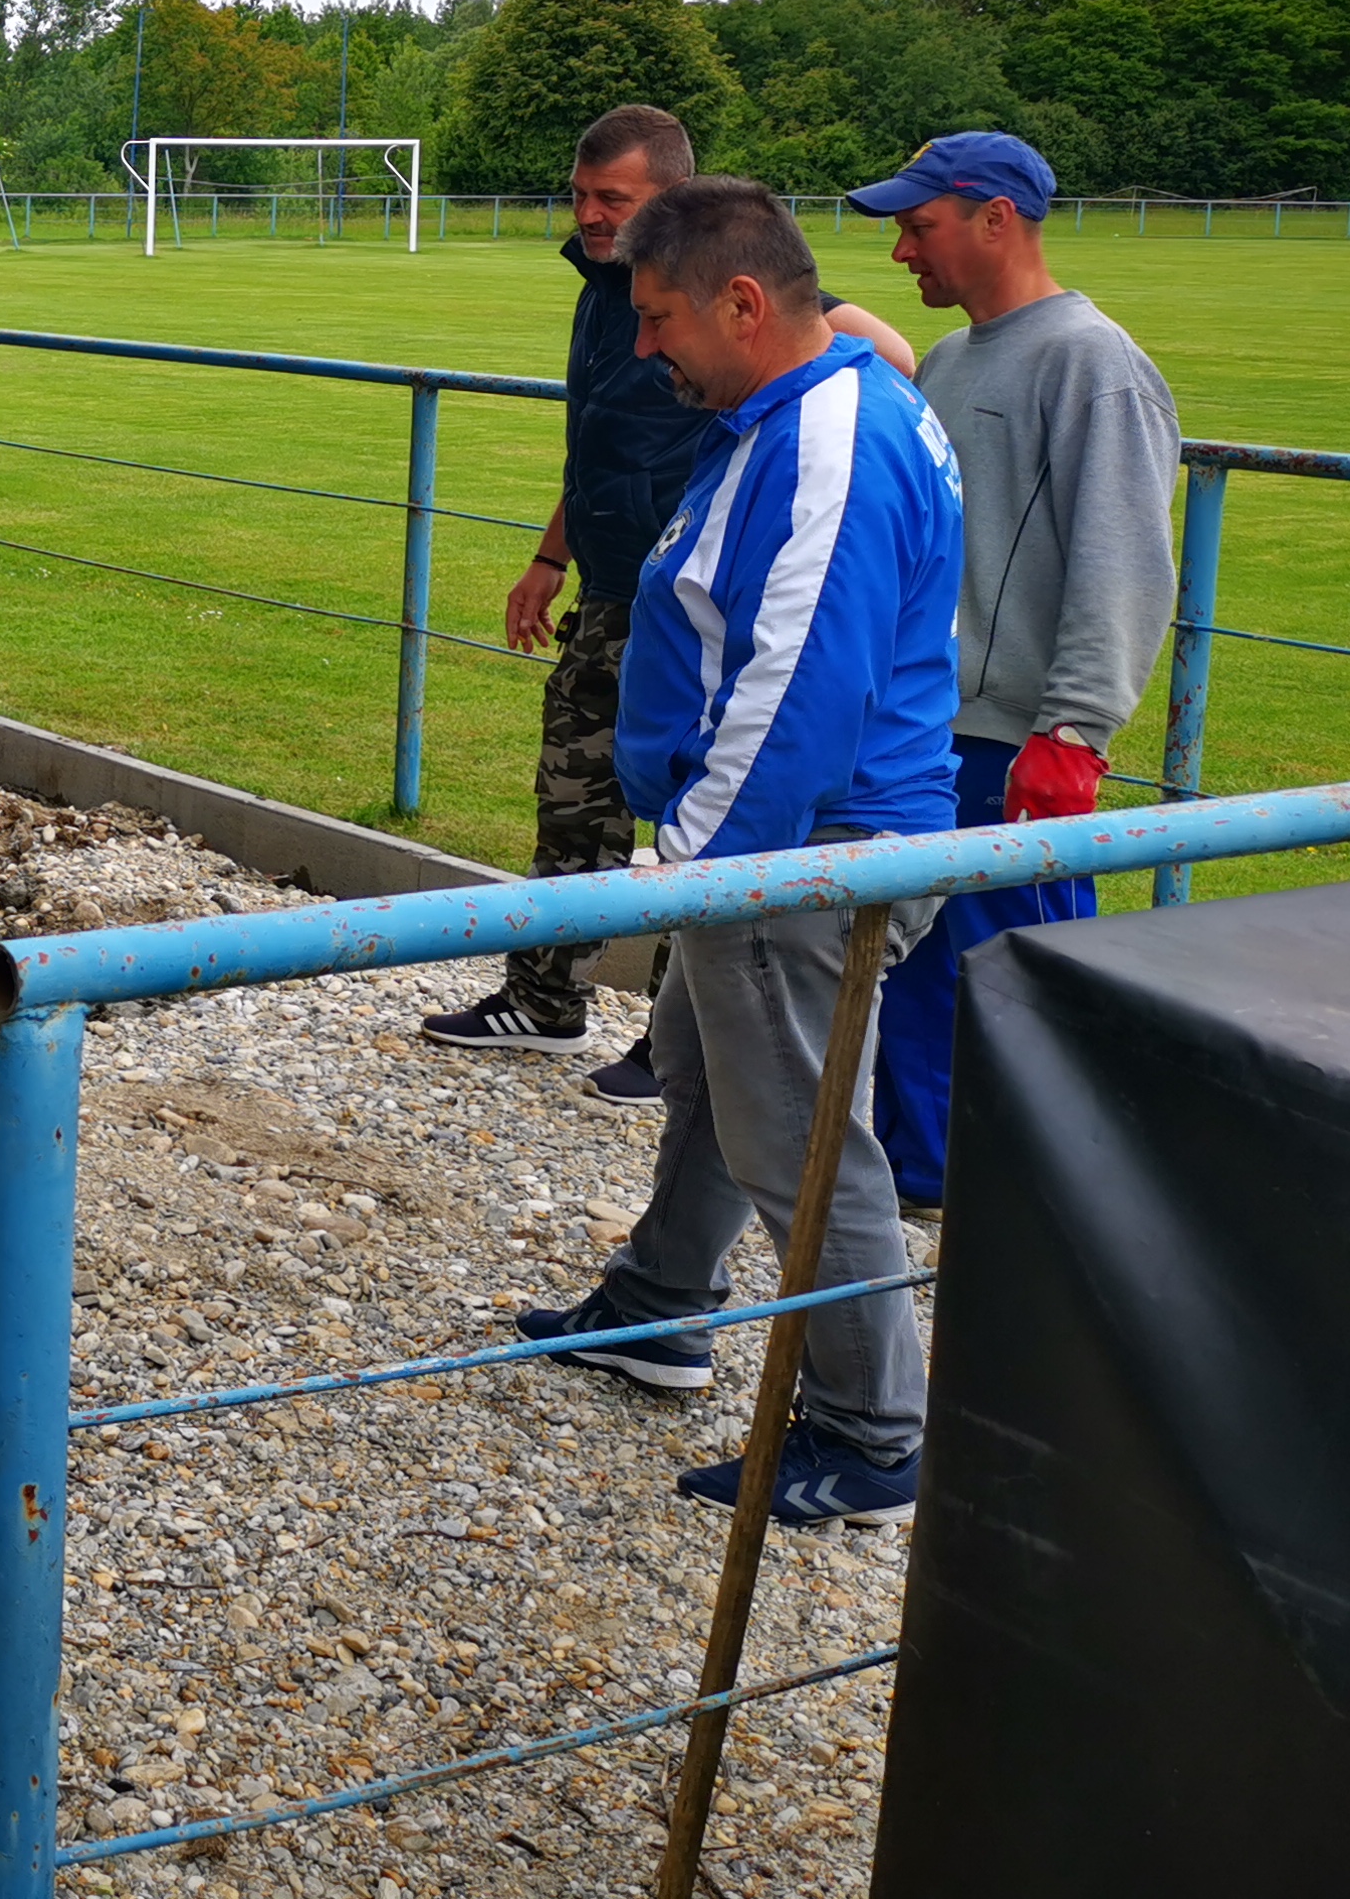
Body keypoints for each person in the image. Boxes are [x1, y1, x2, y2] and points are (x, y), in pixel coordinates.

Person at [516, 179, 961, 1529]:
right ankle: (661, 1304)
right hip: (773, 852)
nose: (645, 348)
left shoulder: (832, 435)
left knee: (808, 1145)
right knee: (716, 1083)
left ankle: (875, 1433)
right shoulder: (801, 407)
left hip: (805, 861)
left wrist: (701, 870)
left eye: (660, 320)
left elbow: (800, 690)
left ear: (746, 304)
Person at [426, 105, 919, 1106]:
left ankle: (671, 1038)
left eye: (615, 198)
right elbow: (595, 439)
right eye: (581, 193)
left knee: (697, 806)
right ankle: (545, 999)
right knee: (574, 798)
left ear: (672, 201)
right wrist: (548, 557)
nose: (593, 213)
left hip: (695, 600)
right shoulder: (604, 294)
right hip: (611, 587)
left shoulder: (711, 279)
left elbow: (880, 348)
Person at [844, 132, 1178, 1210]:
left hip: (1015, 741)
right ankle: (914, 1188)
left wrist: (1075, 733)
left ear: (996, 218)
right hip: (932, 726)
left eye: (918, 225)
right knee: (917, 973)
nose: (902, 252)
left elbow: (1124, 558)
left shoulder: (1093, 362)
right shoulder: (950, 360)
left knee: (996, 987)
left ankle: (988, 1215)